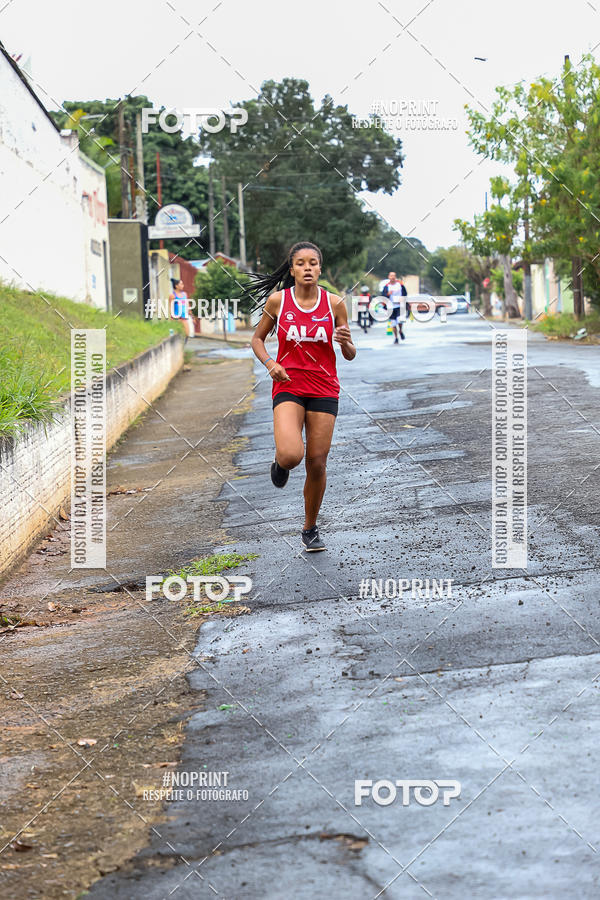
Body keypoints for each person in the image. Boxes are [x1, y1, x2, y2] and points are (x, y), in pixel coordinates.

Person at [249, 241, 356, 552]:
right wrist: (271, 363)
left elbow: (348, 354)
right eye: (301, 263)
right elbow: (257, 340)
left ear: (320, 268)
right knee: (292, 456)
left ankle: (310, 527)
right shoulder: (278, 302)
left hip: (324, 388)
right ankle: (280, 464)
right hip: (289, 385)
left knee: (317, 463)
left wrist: (346, 342)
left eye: (313, 263)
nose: (307, 268)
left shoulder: (335, 304)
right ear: (292, 268)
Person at [381, 271, 406, 343]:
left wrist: (402, 298)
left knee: (400, 320)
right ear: (389, 277)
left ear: (395, 277)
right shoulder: (386, 286)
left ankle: (401, 331)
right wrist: (388, 294)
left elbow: (405, 293)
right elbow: (383, 296)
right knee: (393, 323)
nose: (392, 277)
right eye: (391, 276)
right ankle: (396, 337)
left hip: (399, 306)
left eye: (394, 276)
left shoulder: (400, 285)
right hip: (390, 307)